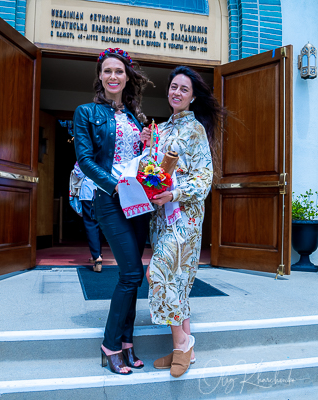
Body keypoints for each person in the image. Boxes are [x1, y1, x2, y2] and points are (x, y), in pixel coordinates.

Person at [74, 47, 151, 375]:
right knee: (132, 273)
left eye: (119, 71)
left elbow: (138, 161)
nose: (113, 76)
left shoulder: (135, 117)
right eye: (107, 71)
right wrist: (114, 185)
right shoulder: (86, 113)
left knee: (134, 277)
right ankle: (110, 344)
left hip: (137, 200)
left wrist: (148, 144)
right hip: (109, 199)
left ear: (127, 76)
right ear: (100, 76)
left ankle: (127, 341)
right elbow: (86, 159)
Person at [144, 66, 223, 378]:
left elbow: (204, 180)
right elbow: (151, 172)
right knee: (177, 283)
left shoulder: (196, 131)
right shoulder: (161, 130)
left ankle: (182, 342)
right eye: (173, 87)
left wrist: (174, 193)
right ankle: (184, 353)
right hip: (161, 219)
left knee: (157, 272)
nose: (176, 92)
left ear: (192, 97)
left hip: (185, 218)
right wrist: (146, 145)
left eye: (183, 89)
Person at [73, 161, 103, 272]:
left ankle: (97, 257)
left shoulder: (86, 152)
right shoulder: (107, 149)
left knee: (91, 223)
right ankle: (98, 253)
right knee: (101, 222)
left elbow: (78, 173)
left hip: (89, 190)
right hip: (104, 190)